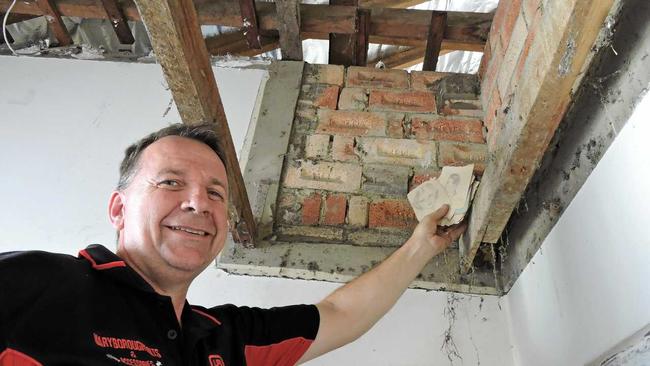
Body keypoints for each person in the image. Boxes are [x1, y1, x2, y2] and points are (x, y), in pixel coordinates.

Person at [0, 124, 465, 365]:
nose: (199, 203)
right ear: (119, 210)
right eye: (171, 182)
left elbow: (340, 317)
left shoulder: (226, 340)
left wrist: (421, 247)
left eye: (216, 193)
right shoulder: (38, 284)